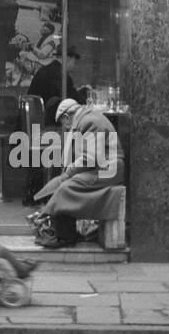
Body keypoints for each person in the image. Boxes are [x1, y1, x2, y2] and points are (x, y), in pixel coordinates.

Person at [32, 98, 123, 248]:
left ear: (67, 118)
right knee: (63, 183)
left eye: (62, 122)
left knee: (67, 187)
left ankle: (64, 237)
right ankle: (64, 232)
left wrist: (69, 173)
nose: (65, 127)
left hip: (109, 170)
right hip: (103, 168)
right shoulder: (85, 120)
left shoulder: (90, 121)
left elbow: (90, 158)